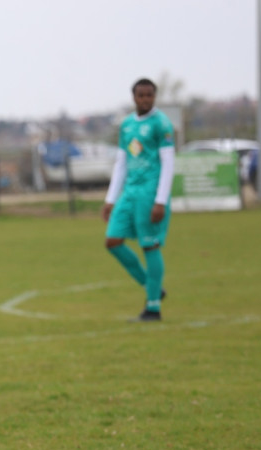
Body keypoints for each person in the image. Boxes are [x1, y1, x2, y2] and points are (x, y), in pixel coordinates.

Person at [102, 77, 175, 322]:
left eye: (149, 95)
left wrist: (160, 200)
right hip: (130, 192)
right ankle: (152, 287)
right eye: (141, 95)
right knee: (112, 241)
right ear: (133, 97)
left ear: (154, 97)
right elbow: (121, 163)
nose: (145, 99)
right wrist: (111, 199)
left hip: (150, 193)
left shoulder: (161, 124)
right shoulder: (127, 125)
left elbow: (168, 163)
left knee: (149, 245)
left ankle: (153, 308)